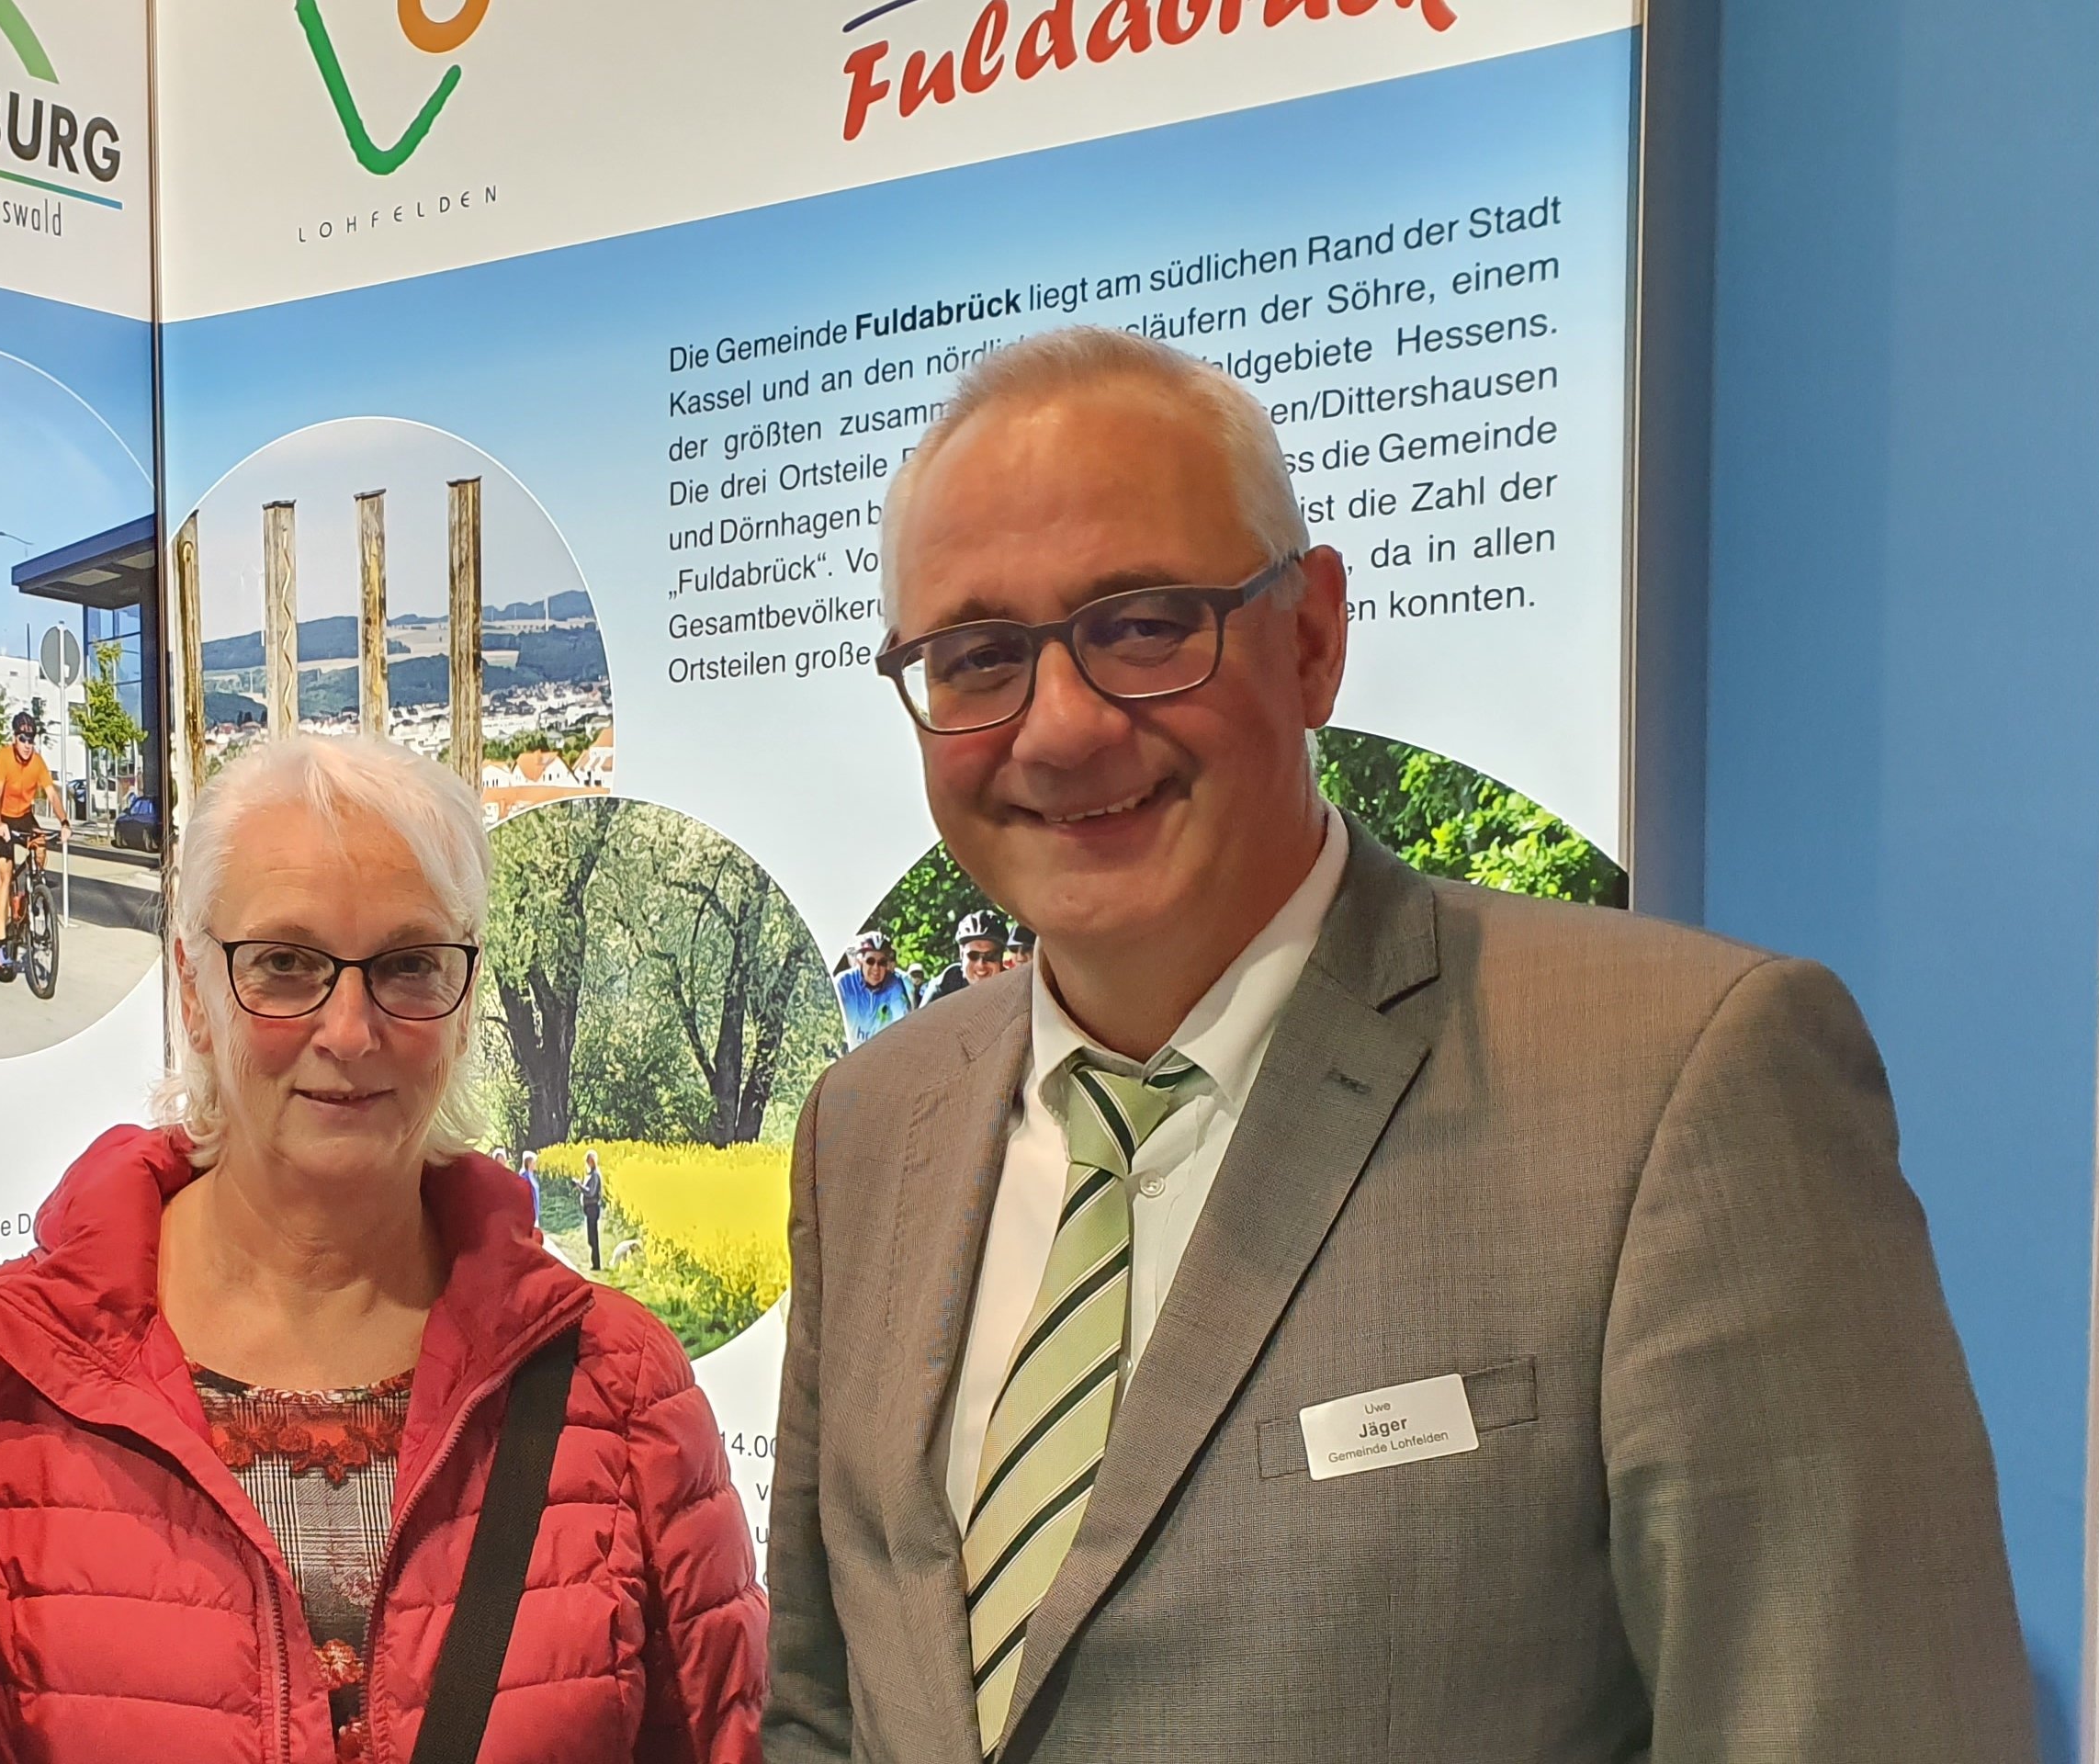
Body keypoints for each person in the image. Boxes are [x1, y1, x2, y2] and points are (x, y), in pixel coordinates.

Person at [765, 327, 2029, 1762]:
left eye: (1143, 625)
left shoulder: (1684, 1084)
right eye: (979, 656)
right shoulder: (870, 1128)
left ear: (1312, 638)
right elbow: (821, 1710)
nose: (1058, 729)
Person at [0, 733, 762, 1764]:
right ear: (194, 992)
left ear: (464, 1000)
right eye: (284, 963)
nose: (350, 1032)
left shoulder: (619, 1392)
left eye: (408, 965)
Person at [0, 707, 58, 978]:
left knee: (40, 845)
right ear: (14, 738)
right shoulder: (3, 757)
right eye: (23, 739)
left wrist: (64, 822)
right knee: (4, 875)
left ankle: (34, 888)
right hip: (4, 817)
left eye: (31, 740)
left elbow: (52, 794)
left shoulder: (37, 762)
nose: (27, 744)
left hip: (24, 816)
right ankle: (1, 944)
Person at [831, 933, 914, 1048]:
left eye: (881, 963)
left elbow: (903, 1023)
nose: (876, 968)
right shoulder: (843, 983)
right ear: (860, 962)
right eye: (870, 961)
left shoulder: (894, 985)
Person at [924, 908, 1009, 1003]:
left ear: (1001, 959)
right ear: (962, 954)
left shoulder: (1013, 987)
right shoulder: (945, 986)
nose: (981, 964)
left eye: (990, 956)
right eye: (973, 955)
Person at [577, 1148, 608, 1272]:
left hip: (592, 1208)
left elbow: (591, 1192)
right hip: (589, 1208)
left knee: (593, 1237)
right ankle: (594, 1263)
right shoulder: (590, 1174)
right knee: (591, 1236)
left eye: (589, 1160)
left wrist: (579, 1186)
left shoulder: (595, 1175)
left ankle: (596, 1264)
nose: (587, 1162)